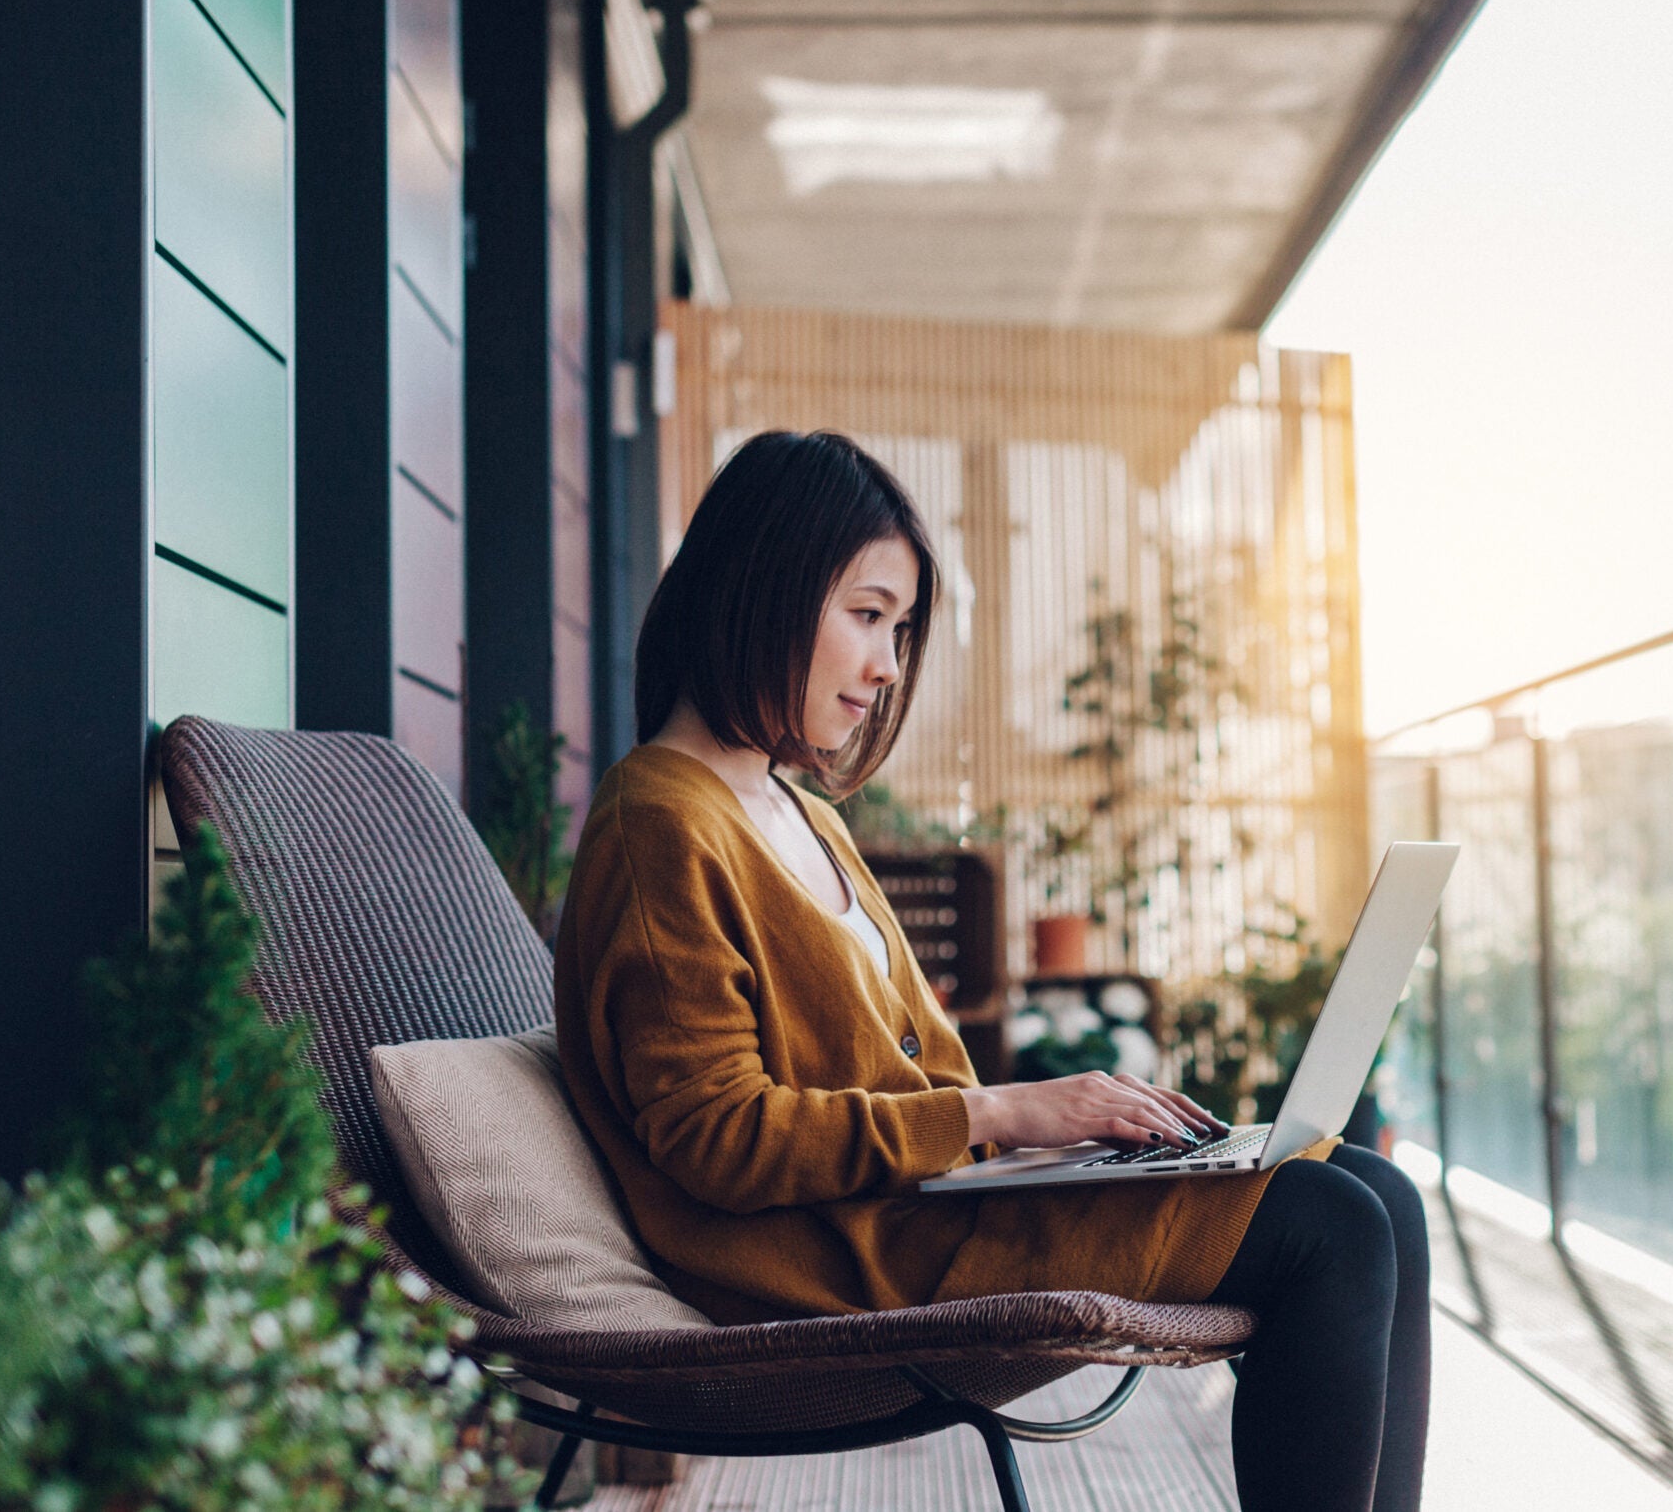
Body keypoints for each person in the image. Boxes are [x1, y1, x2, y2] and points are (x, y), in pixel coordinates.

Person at [554, 430, 1429, 1512]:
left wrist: (1063, 1147)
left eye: (899, 628)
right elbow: (715, 1139)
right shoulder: (661, 823)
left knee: (1380, 1189)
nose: (884, 666)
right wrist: (1007, 1114)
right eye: (866, 615)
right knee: (1331, 1227)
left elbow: (908, 1080)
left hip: (927, 1207)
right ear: (763, 589)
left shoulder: (799, 813)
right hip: (837, 1257)